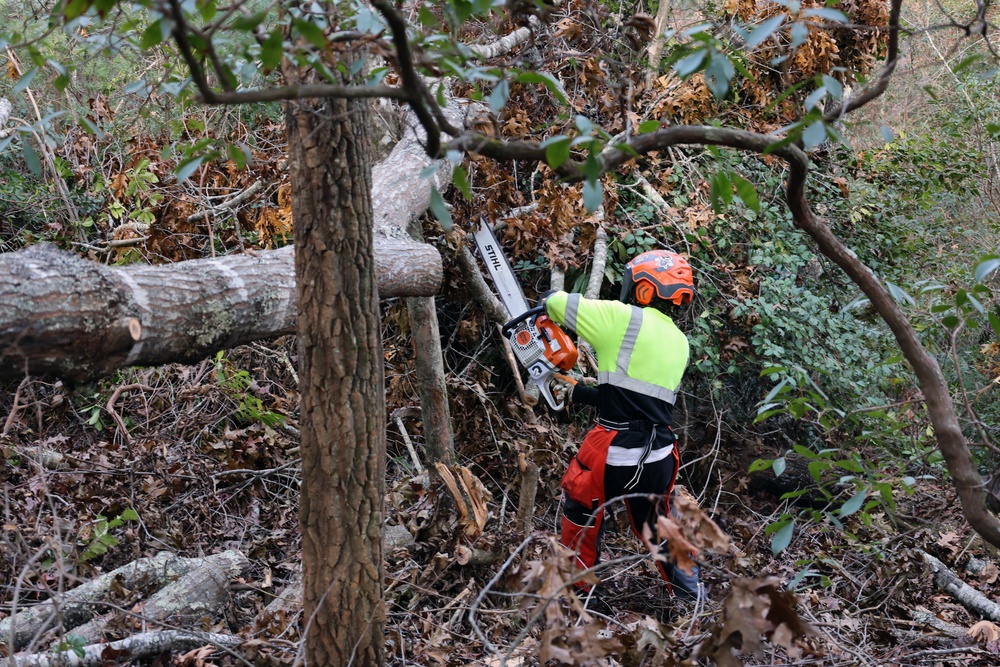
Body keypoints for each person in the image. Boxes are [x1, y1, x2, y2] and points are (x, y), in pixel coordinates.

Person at [542, 249, 703, 600]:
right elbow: (639, 400)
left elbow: (555, 303)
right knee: (659, 524)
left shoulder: (622, 318)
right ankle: (694, 598)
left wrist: (550, 296)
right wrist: (581, 393)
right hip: (659, 455)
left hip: (614, 452)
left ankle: (581, 595)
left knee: (581, 510)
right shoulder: (680, 342)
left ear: (643, 288)